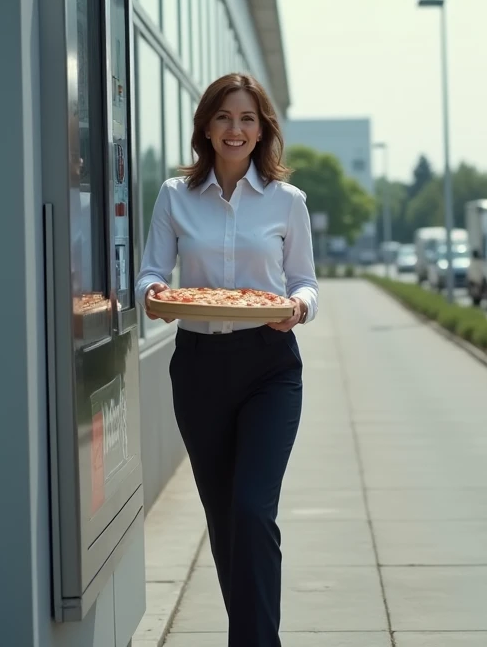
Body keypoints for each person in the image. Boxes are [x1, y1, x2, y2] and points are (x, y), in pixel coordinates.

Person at [134, 72, 319, 647]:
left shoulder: (288, 202)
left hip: (270, 365)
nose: (235, 130)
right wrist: (152, 299)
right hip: (199, 367)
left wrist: (297, 309)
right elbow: (150, 275)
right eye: (224, 118)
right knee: (223, 517)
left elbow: (306, 283)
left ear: (262, 128)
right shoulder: (174, 195)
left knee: (251, 511)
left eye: (247, 119)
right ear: (206, 128)